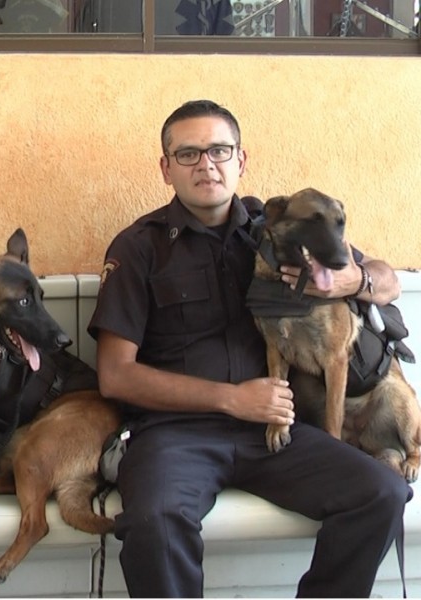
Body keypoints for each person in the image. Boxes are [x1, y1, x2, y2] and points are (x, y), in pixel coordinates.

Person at [88, 99, 411, 598]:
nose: (207, 164)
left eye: (219, 150)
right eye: (189, 154)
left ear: (241, 160)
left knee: (382, 493)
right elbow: (116, 375)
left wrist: (352, 278)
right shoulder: (139, 247)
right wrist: (229, 398)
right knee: (153, 522)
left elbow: (388, 282)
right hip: (176, 436)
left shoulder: (281, 228)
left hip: (277, 433)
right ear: (166, 169)